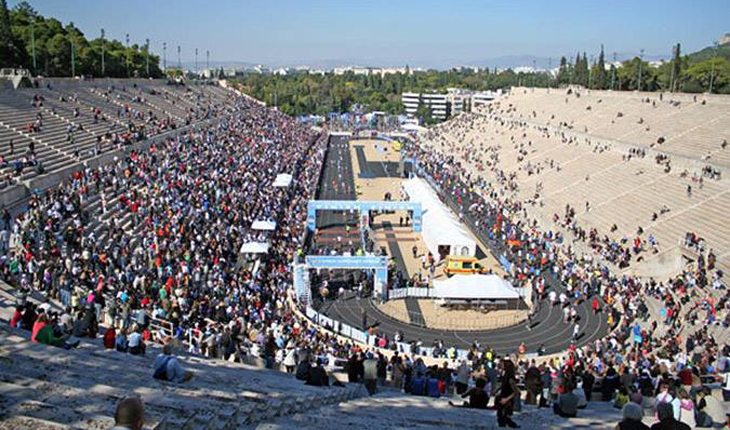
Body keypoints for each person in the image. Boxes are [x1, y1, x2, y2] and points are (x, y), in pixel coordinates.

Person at [496, 359, 520, 428]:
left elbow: (516, 391)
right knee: (500, 417)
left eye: (503, 364)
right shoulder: (505, 375)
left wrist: (506, 399)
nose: (501, 365)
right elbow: (503, 385)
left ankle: (514, 426)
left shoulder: (510, 377)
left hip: (507, 401)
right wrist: (497, 390)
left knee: (504, 417)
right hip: (503, 398)